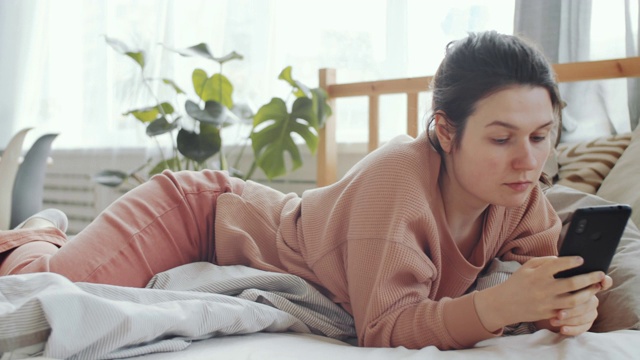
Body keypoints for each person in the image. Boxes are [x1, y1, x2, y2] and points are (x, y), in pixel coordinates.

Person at [0, 31, 611, 350]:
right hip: (195, 216)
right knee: (54, 284)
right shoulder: (398, 178)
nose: (528, 160)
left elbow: (551, 282)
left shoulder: (525, 198)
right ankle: (34, 237)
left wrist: (572, 305)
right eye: (502, 138)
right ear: (446, 131)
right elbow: (385, 329)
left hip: (245, 231)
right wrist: (501, 307)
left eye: (542, 136)